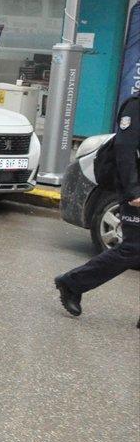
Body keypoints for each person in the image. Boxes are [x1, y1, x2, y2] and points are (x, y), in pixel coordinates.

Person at [55, 90, 140, 321]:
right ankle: (72, 283)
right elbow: (125, 150)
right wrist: (133, 191)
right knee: (133, 248)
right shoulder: (135, 105)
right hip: (136, 189)